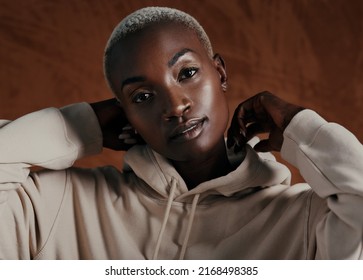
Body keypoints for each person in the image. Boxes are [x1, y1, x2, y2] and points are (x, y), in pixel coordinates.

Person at [0, 6, 362, 260]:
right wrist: (80, 125)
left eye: (186, 73)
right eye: (142, 96)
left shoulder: (306, 221)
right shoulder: (56, 207)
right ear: (125, 114)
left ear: (220, 73)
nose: (174, 106)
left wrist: (302, 127)